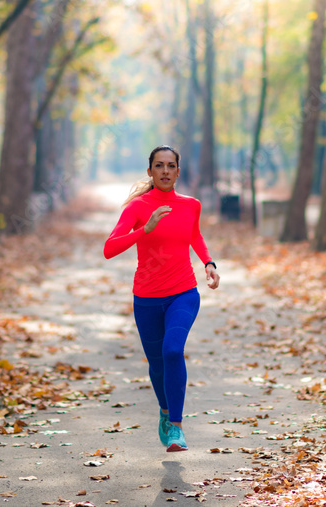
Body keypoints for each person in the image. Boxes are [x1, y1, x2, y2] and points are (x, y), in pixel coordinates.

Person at [103, 145, 219, 452]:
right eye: (159, 165)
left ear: (178, 172)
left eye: (171, 166)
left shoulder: (191, 205)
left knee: (172, 352)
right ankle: (165, 413)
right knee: (156, 364)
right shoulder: (138, 208)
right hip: (147, 298)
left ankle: (177, 427)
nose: (165, 171)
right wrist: (145, 229)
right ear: (150, 171)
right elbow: (109, 248)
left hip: (183, 292)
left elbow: (194, 235)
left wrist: (209, 264)